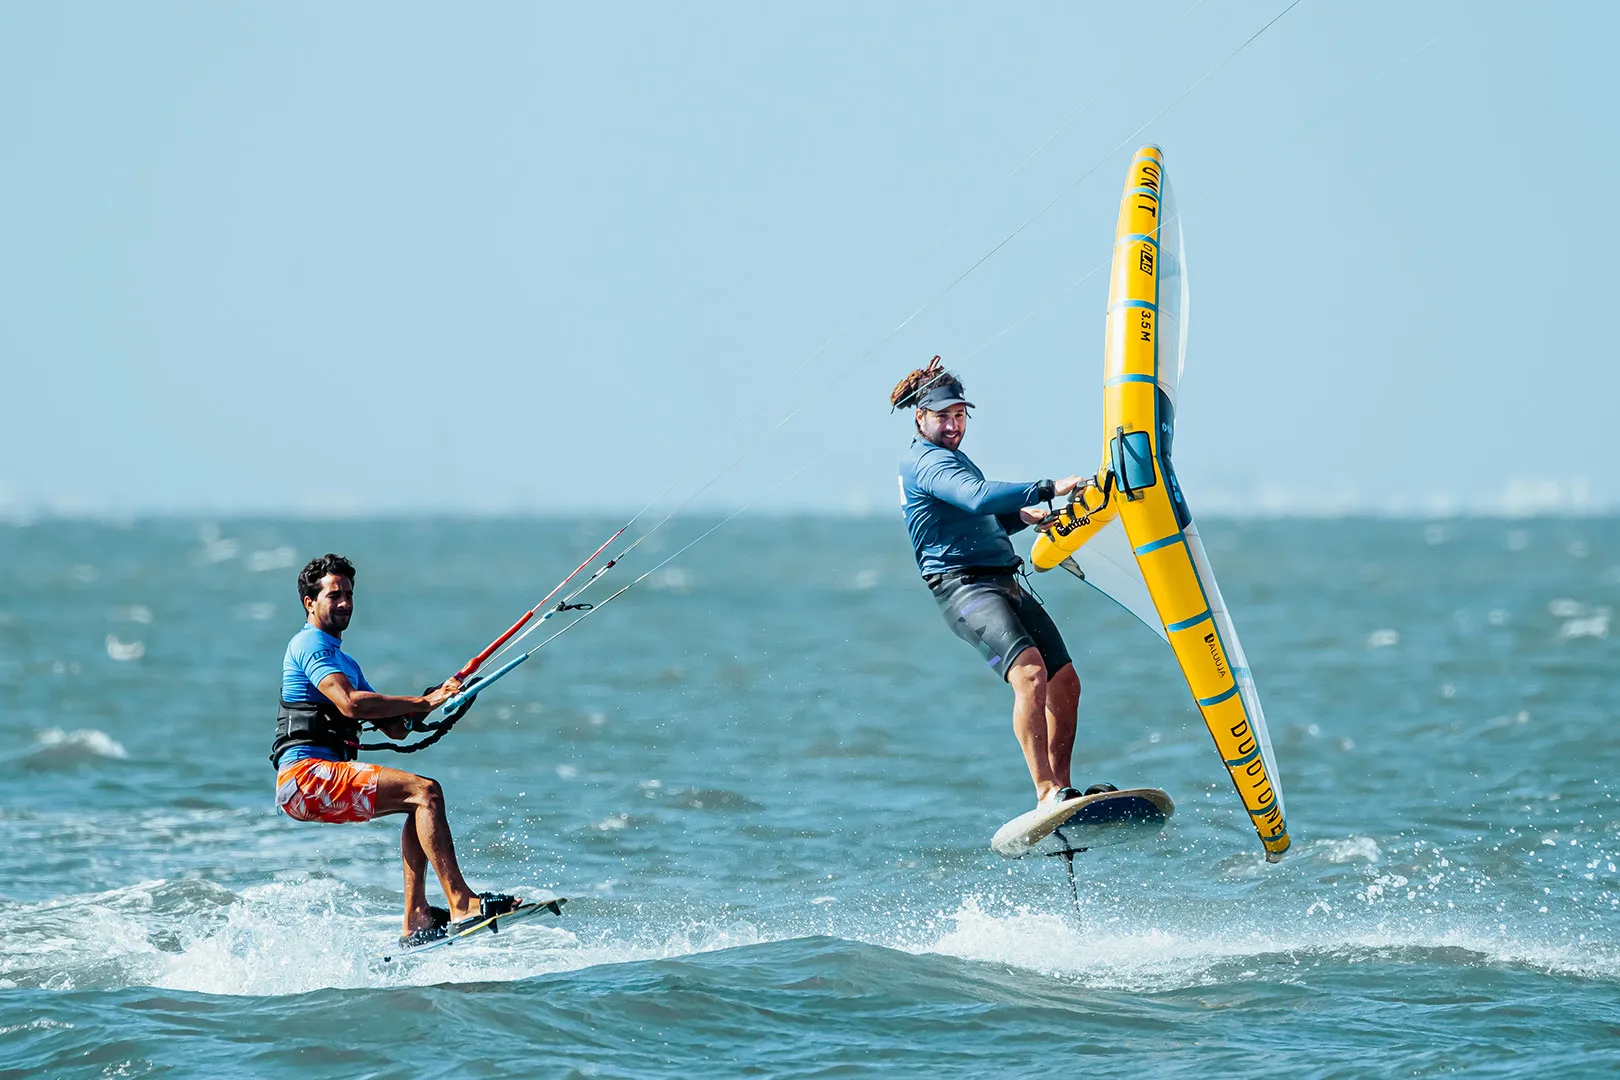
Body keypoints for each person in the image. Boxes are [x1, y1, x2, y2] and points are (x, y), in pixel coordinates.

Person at [892, 357, 1109, 812]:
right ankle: (1045, 792)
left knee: (1065, 682)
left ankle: (1063, 790)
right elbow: (976, 497)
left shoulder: (952, 459)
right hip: (964, 591)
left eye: (959, 415)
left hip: (1003, 581)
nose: (953, 425)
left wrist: (1020, 517)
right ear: (920, 416)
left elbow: (976, 518)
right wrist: (1047, 488)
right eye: (943, 416)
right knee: (1029, 674)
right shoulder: (926, 462)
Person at [271, 552, 519, 946]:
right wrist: (423, 702)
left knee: (418, 803)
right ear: (310, 602)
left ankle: (416, 918)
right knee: (426, 792)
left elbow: (394, 729)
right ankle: (461, 903)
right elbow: (351, 704)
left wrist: (439, 701)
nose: (345, 603)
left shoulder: (345, 662)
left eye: (349, 594)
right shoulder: (309, 644)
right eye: (334, 595)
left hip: (316, 782)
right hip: (305, 777)